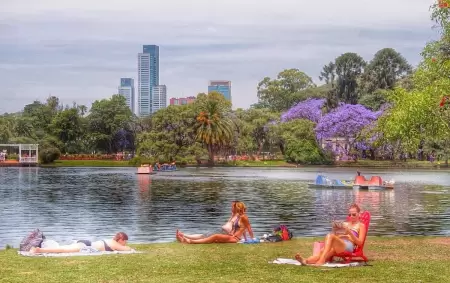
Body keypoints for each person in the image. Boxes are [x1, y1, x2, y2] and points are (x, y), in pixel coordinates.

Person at [295, 204, 366, 266]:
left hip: (348, 245)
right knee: (322, 253)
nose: (351, 216)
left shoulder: (361, 225)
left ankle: (321, 261)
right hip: (339, 243)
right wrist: (337, 231)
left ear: (359, 214)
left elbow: (360, 243)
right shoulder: (345, 224)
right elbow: (336, 235)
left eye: (354, 214)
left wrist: (349, 233)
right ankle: (305, 261)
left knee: (330, 236)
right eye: (349, 214)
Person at [177, 201, 253, 244]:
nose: (233, 208)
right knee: (211, 237)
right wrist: (245, 239)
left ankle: (190, 241)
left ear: (239, 208)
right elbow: (243, 229)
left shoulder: (243, 217)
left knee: (213, 236)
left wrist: (252, 239)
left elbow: (248, 228)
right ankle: (187, 239)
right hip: (231, 236)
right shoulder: (239, 217)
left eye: (235, 207)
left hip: (234, 238)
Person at [30, 232, 132, 253]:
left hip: (85, 243)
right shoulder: (115, 244)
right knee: (63, 250)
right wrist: (126, 247)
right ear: (121, 240)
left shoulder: (110, 240)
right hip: (86, 245)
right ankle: (39, 249)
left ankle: (40, 248)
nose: (125, 244)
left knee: (64, 247)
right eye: (125, 241)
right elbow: (128, 249)